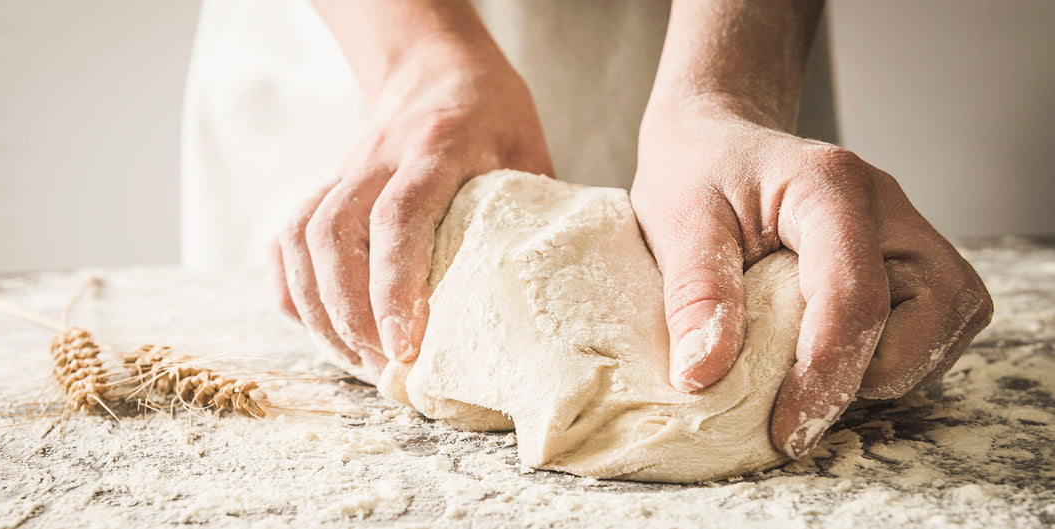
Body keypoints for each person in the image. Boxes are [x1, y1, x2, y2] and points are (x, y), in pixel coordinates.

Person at [182, 0, 992, 460]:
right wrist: (417, 60)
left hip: (709, 30)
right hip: (360, 52)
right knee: (384, 277)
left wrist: (727, 88)